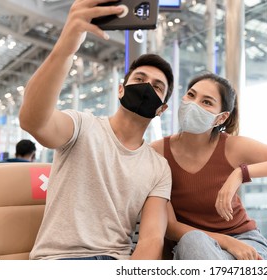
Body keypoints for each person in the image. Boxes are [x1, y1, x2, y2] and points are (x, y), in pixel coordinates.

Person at [19, 0, 174, 260]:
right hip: (59, 261)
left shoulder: (158, 168)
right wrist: (66, 46)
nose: (147, 87)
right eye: (139, 79)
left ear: (162, 109)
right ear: (120, 89)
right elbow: (33, 121)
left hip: (115, 262)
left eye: (157, 87)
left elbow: (152, 239)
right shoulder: (82, 126)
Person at [151, 72, 267, 260]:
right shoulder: (157, 152)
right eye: (191, 95)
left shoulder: (233, 147)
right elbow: (171, 228)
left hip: (244, 241)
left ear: (220, 118)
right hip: (191, 247)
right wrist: (227, 242)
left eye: (206, 102)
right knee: (193, 239)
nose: (193, 104)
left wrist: (241, 173)